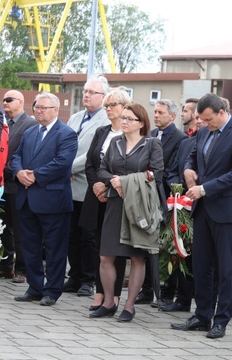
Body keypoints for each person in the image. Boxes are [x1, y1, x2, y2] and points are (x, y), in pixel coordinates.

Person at [171, 94, 232, 339]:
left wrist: (204, 189)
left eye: (208, 119)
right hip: (203, 208)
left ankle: (221, 320)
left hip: (227, 210)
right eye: (202, 120)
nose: (205, 124)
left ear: (221, 112)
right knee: (201, 264)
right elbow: (194, 154)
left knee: (226, 267)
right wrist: (188, 168)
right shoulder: (205, 130)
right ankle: (202, 315)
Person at [90, 103, 164, 322]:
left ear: (141, 123)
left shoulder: (152, 144)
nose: (123, 121)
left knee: (136, 257)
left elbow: (156, 174)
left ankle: (130, 306)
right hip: (115, 203)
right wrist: (112, 181)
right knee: (106, 255)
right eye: (122, 117)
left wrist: (125, 181)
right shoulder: (115, 142)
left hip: (139, 205)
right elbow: (102, 169)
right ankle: (109, 302)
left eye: (129, 118)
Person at [12, 92, 78, 306]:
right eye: (36, 107)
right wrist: (19, 172)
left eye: (43, 108)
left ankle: (52, 290)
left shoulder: (66, 133)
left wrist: (35, 176)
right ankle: (35, 287)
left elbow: (62, 162)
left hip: (53, 200)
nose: (38, 111)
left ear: (55, 110)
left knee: (54, 248)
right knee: (29, 246)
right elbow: (16, 156)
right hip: (27, 198)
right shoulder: (30, 132)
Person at [78, 88, 132, 312]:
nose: (109, 109)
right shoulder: (101, 132)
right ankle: (100, 292)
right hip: (97, 195)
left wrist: (108, 186)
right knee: (98, 246)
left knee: (115, 248)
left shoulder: (131, 134)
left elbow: (129, 166)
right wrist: (96, 186)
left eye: (113, 105)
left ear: (125, 107)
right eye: (107, 106)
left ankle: (115, 295)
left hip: (118, 197)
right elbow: (91, 163)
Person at [64, 75, 110, 298]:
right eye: (85, 91)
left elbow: (94, 153)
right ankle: (74, 275)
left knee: (87, 235)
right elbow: (65, 144)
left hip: (88, 184)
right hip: (69, 184)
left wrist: (68, 168)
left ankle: (88, 279)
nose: (87, 95)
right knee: (70, 233)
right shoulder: (75, 117)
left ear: (103, 96)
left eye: (92, 92)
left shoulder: (105, 120)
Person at [141, 98, 186, 306]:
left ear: (173, 116)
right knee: (148, 245)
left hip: (166, 197)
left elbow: (173, 169)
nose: (156, 115)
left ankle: (167, 293)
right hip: (147, 197)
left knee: (167, 247)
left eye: (160, 112)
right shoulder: (149, 135)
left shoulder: (180, 138)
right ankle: (147, 289)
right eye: (155, 112)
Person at [159, 100, 202, 313]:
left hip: (203, 203)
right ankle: (182, 300)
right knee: (179, 251)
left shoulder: (216, 142)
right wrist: (177, 188)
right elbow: (173, 169)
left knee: (198, 255)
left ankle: (201, 301)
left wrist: (198, 190)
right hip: (181, 205)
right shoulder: (186, 142)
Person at [0, 90, 35, 284]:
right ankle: (5, 265)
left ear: (20, 102)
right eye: (3, 100)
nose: (5, 102)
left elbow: (26, 154)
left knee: (20, 229)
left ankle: (22, 268)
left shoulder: (30, 124)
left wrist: (10, 169)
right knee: (3, 228)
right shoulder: (2, 122)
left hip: (17, 183)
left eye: (9, 99)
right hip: (1, 184)